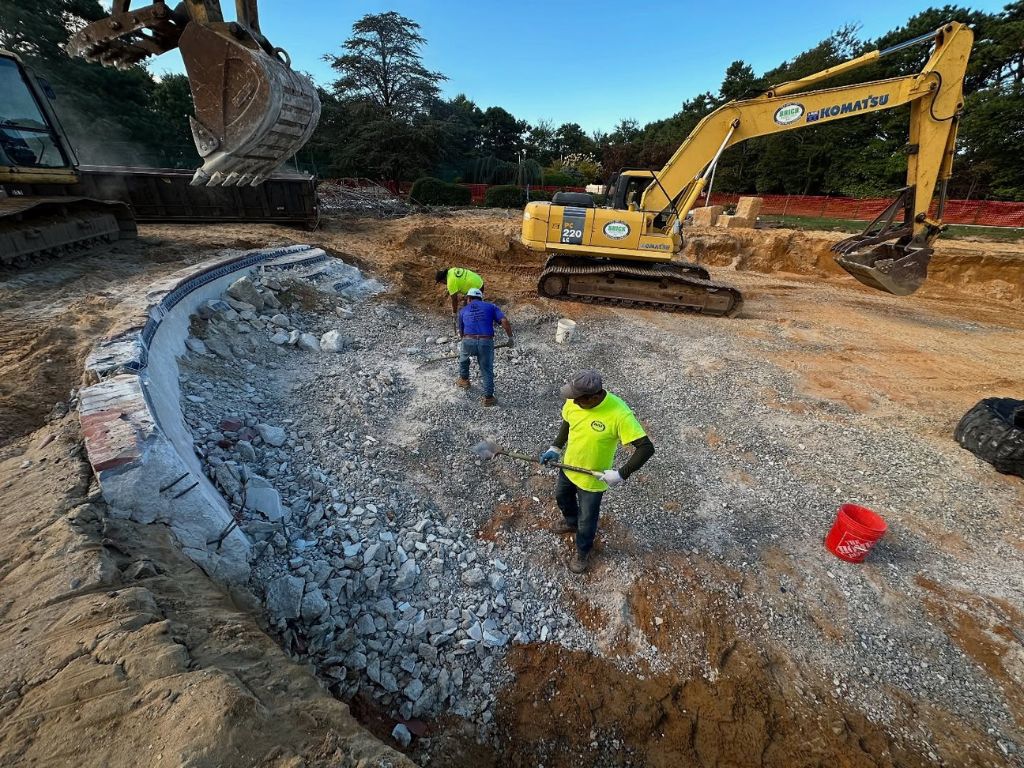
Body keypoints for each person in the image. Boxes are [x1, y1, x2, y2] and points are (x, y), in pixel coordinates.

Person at [540, 370, 655, 573]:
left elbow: (646, 448)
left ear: (594, 397)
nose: (572, 403)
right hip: (568, 468)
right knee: (562, 498)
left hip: (593, 480)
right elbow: (568, 421)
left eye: (577, 399)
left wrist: (621, 474)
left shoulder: (619, 413)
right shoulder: (574, 401)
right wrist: (555, 448)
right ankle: (570, 522)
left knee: (588, 520)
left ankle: (583, 552)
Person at [456, 287, 513, 407]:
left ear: (469, 298)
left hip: (468, 340)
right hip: (486, 341)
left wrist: (467, 342)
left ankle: (464, 380)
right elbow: (504, 321)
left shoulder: (463, 310)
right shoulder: (491, 307)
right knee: (486, 369)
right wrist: (510, 338)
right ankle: (488, 398)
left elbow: (461, 333)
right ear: (480, 298)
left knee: (463, 359)